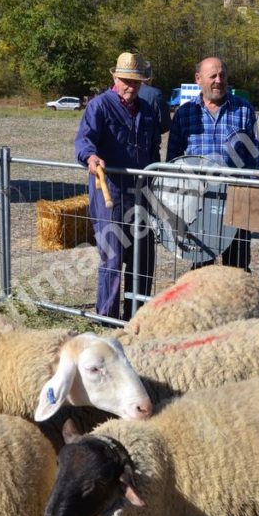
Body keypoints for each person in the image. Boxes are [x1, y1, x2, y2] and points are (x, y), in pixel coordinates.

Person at [75, 52, 162, 320]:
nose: (130, 86)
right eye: (125, 80)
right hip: (109, 191)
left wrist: (155, 177)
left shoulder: (148, 110)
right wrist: (91, 157)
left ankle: (136, 317)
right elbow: (84, 140)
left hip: (141, 193)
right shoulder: (99, 106)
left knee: (142, 258)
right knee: (112, 258)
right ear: (114, 77)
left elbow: (154, 148)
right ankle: (107, 319)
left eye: (135, 82)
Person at [167, 56, 259, 271]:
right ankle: (205, 305)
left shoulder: (244, 110)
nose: (219, 80)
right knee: (201, 266)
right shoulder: (184, 113)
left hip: (236, 200)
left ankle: (235, 306)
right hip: (198, 203)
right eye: (213, 76)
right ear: (198, 79)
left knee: (236, 266)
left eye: (222, 75)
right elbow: (172, 161)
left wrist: (255, 192)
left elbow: (255, 159)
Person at [136, 62, 171, 134]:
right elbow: (165, 124)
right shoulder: (156, 94)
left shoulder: (124, 91)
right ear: (150, 77)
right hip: (149, 141)